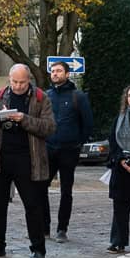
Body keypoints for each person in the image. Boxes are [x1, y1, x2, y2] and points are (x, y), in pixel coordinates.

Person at [0, 64, 56, 258]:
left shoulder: (40, 97)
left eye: (22, 82)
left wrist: (24, 119)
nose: (18, 86)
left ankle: (38, 249)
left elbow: (49, 127)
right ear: (9, 80)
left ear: (28, 79)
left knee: (33, 205)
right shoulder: (1, 95)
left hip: (29, 160)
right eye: (15, 81)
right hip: (1, 158)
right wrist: (0, 117)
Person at [45, 60, 94, 243]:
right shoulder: (46, 96)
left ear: (67, 74)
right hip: (48, 149)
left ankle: (62, 229)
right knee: (41, 188)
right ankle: (44, 228)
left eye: (59, 71)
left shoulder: (78, 96)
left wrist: (76, 143)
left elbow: (87, 124)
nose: (55, 74)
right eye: (53, 71)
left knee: (66, 190)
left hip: (68, 150)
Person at [106, 84, 130, 253]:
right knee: (120, 207)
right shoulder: (120, 119)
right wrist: (121, 159)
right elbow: (113, 141)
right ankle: (118, 241)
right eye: (129, 95)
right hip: (122, 169)